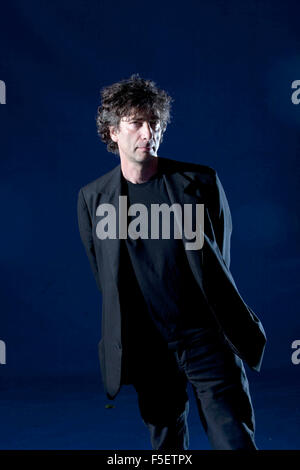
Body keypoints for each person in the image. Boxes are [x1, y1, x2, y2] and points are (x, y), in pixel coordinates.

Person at [77, 74, 266, 450]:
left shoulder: (200, 182)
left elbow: (218, 261)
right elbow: (106, 277)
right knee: (165, 445)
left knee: (233, 439)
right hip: (149, 345)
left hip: (206, 337)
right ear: (113, 132)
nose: (148, 132)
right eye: (136, 123)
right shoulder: (93, 199)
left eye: (154, 123)